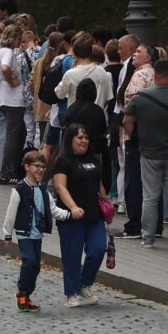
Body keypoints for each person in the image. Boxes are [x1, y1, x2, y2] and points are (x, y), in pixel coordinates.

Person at [125, 74, 168, 248]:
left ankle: (148, 238)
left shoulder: (140, 97)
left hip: (149, 153)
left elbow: (127, 121)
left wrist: (136, 139)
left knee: (149, 197)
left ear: (155, 76)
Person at [47, 122, 108, 307]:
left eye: (86, 138)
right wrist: (72, 207)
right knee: (72, 255)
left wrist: (106, 203)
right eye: (80, 138)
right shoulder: (63, 161)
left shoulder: (94, 159)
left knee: (98, 249)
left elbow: (99, 184)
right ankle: (71, 292)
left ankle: (85, 283)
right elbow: (60, 187)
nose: (84, 141)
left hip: (94, 215)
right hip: (72, 217)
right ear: (70, 139)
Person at [4, 148, 65, 312]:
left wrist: (70, 214)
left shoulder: (43, 190)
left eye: (43, 167)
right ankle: (21, 291)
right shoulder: (19, 189)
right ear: (27, 167)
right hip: (24, 233)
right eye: (36, 166)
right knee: (29, 261)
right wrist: (7, 233)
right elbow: (11, 213)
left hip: (37, 233)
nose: (40, 170)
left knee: (36, 266)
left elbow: (53, 210)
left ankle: (28, 294)